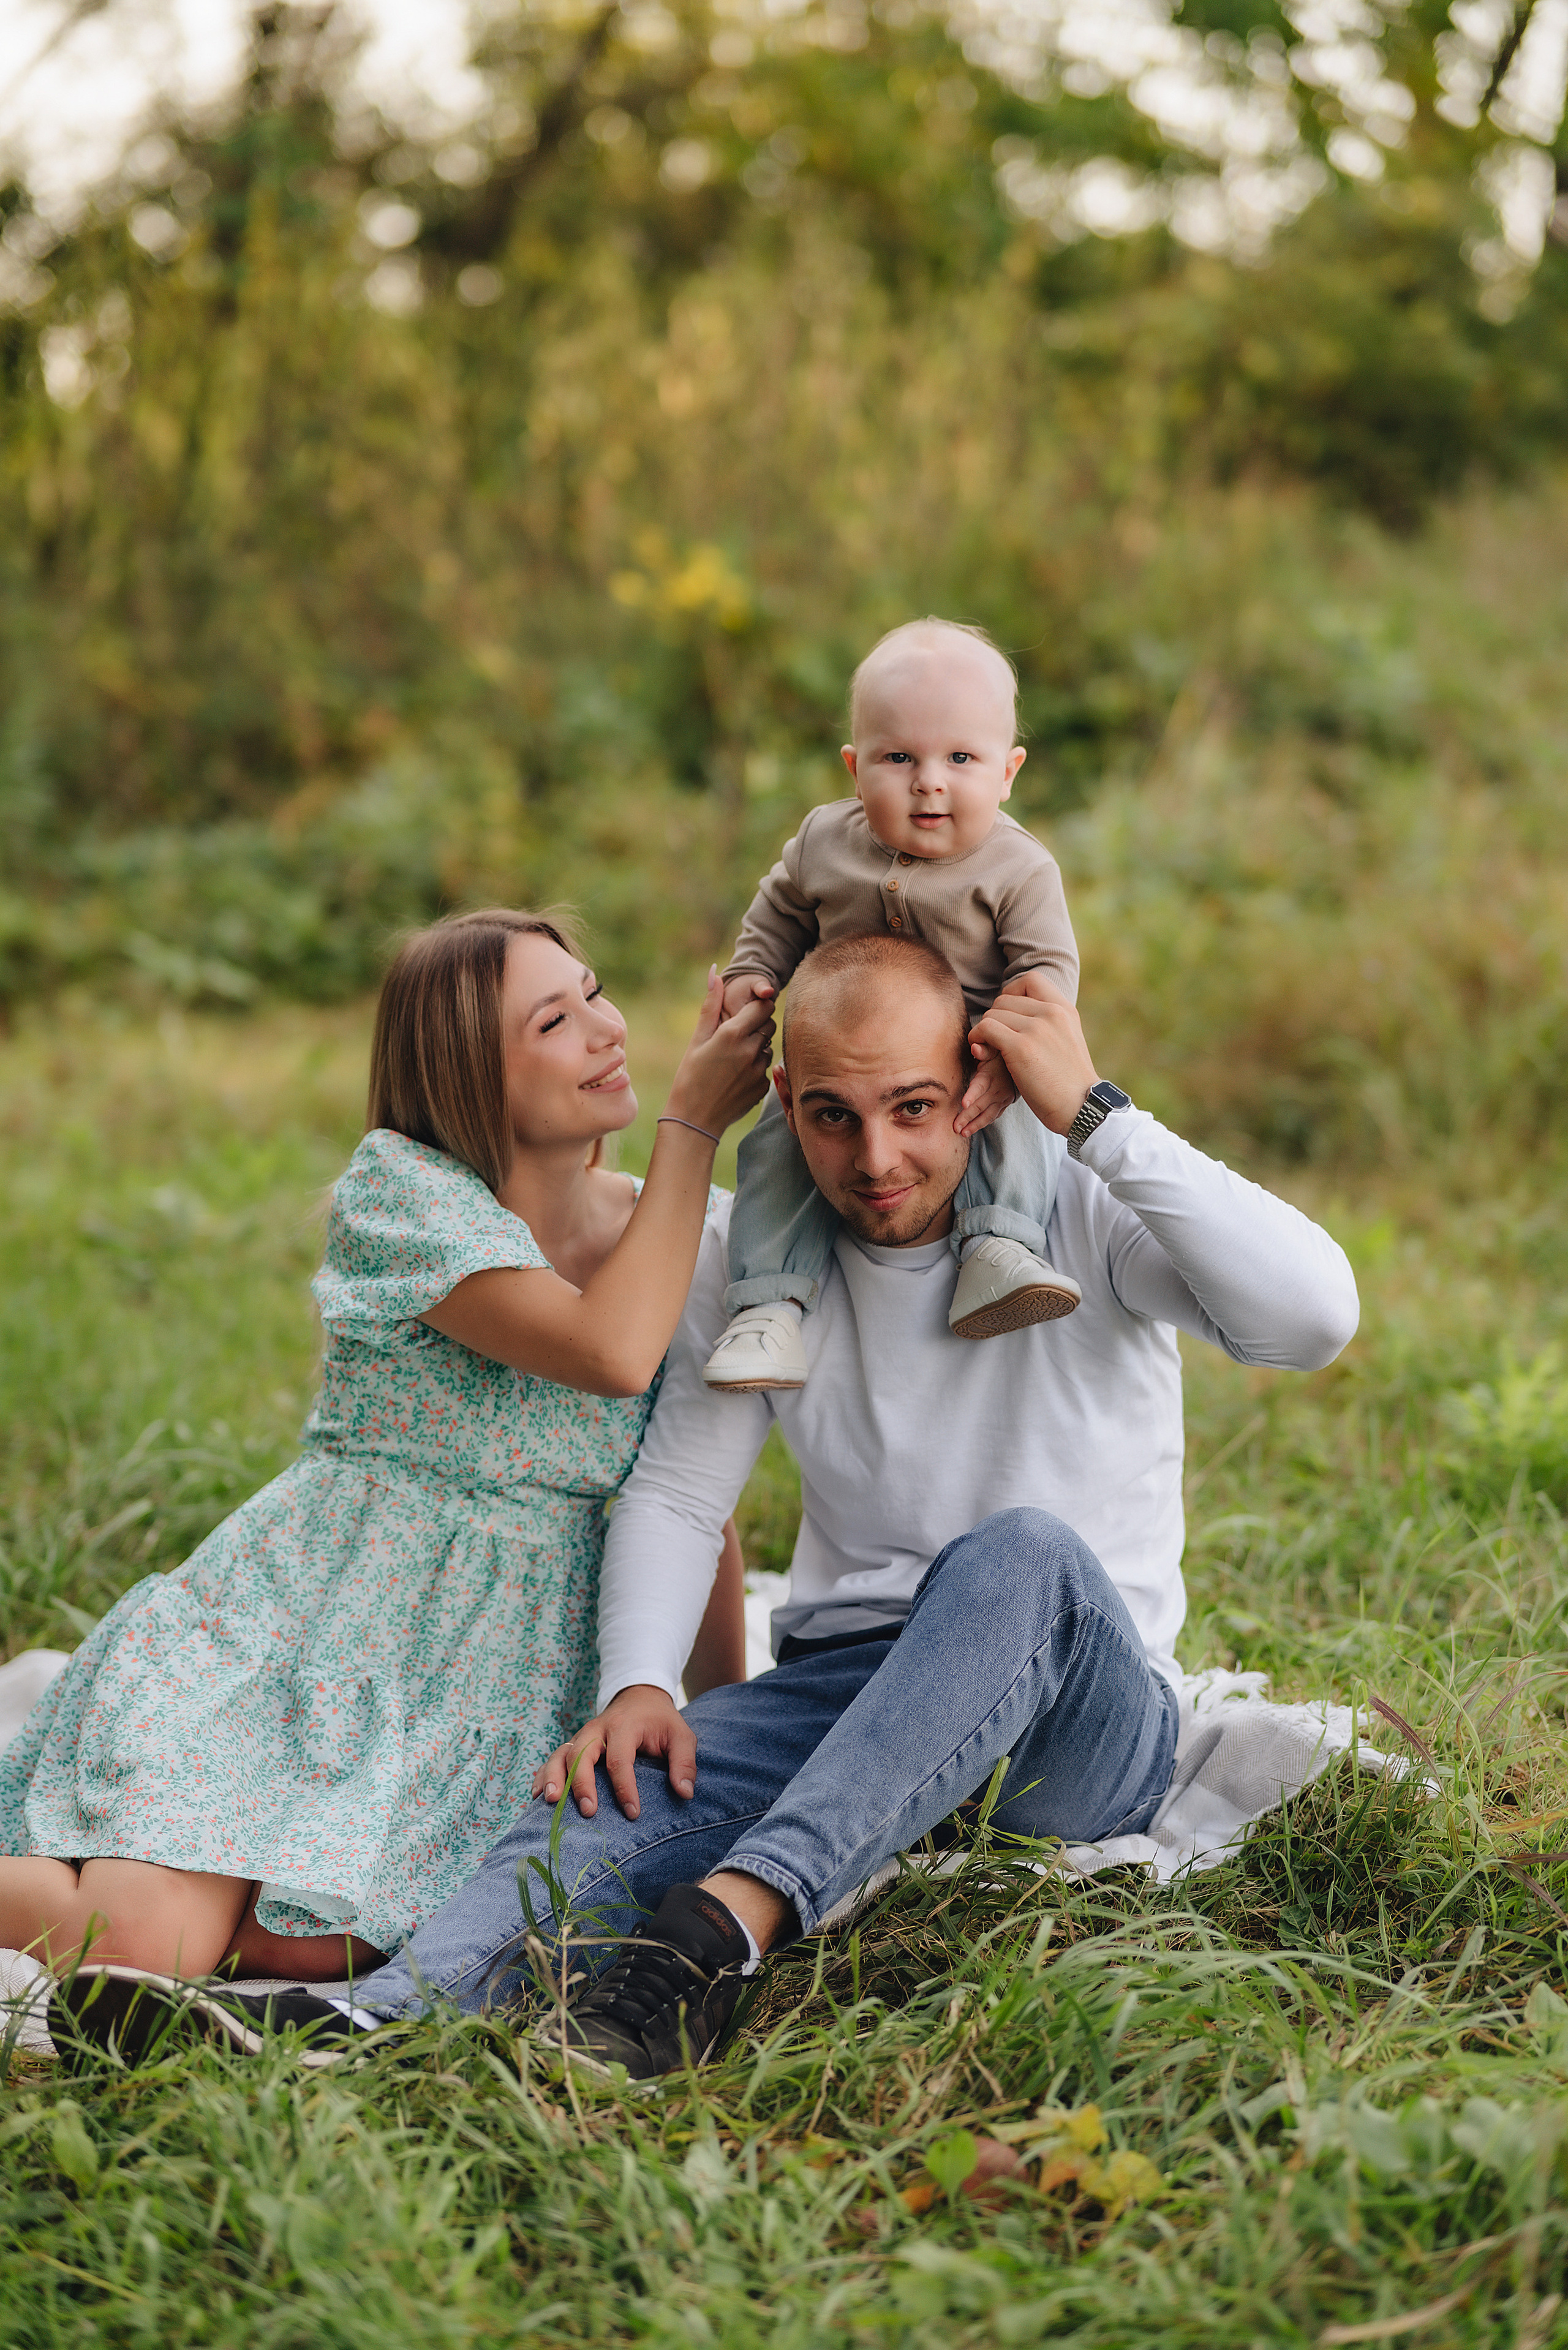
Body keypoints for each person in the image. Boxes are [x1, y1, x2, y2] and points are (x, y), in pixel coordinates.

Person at [51, 930, 1359, 2077]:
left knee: (1013, 1553)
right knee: (597, 1790)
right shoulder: (762, 1256)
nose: (876, 1156)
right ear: (782, 1098)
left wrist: (1096, 1113)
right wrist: (640, 1686)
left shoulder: (1083, 1206)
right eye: (833, 1114)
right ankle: (372, 2018)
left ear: (976, 1082)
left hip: (1071, 1715)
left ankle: (717, 1929)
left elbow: (1312, 1317)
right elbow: (678, 1484)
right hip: (842, 1691)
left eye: (912, 1105)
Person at [4, 908, 771, 1987]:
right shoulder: (405, 1197)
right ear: (466, 1074)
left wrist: (725, 1723)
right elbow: (611, 1353)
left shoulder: (676, 1228)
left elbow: (693, 1496)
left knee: (310, 1943)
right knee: (140, 1944)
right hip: (315, 1633)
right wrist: (693, 1124)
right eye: (557, 1020)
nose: (609, 1029)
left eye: (596, 993)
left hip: (491, 1679)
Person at [702, 617, 1082, 1396]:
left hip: (969, 1057)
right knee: (780, 1148)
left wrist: (1013, 1056)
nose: (929, 781)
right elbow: (777, 914)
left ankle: (998, 1250)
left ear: (1008, 772)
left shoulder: (1018, 868)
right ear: (854, 766)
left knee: (1011, 1127)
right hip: (840, 1060)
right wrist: (752, 974)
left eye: (961, 759)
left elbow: (1047, 969)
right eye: (899, 757)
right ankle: (767, 1304)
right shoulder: (822, 841)